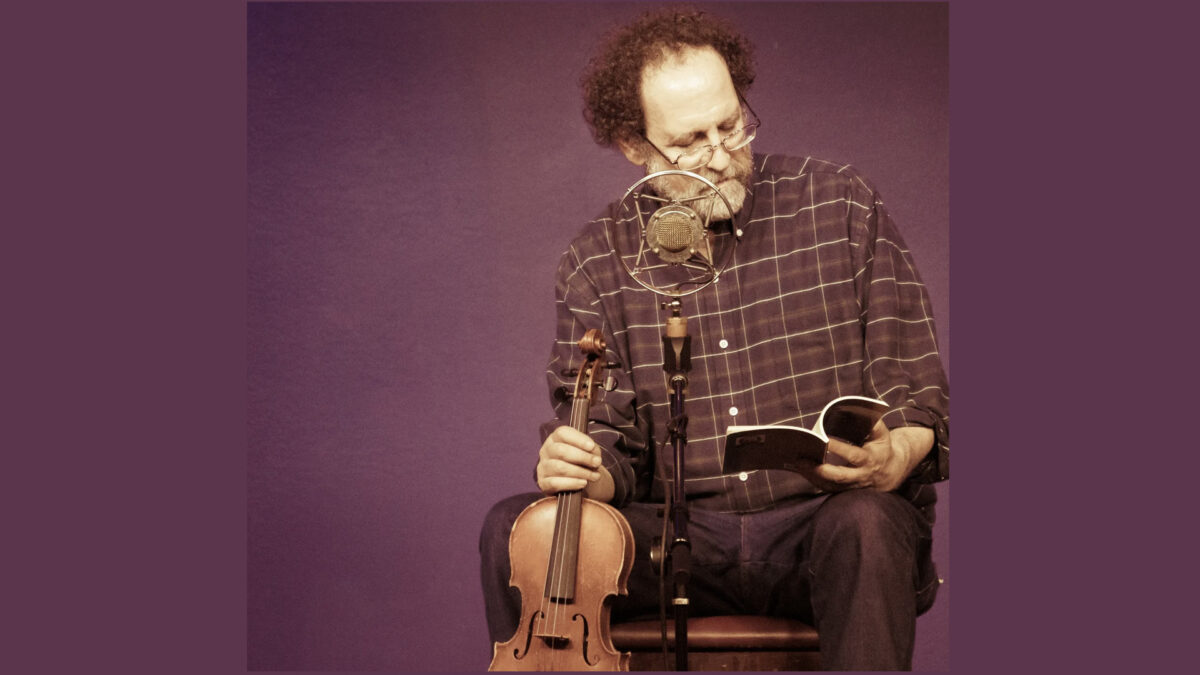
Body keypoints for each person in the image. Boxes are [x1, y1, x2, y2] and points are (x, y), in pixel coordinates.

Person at [480, 7, 949, 670]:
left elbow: (919, 388)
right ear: (634, 144)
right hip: (681, 545)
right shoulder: (597, 259)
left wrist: (897, 453)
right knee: (515, 529)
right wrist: (582, 470)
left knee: (868, 522)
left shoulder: (840, 203)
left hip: (824, 529)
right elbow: (616, 451)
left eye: (731, 125)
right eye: (691, 141)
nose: (723, 156)